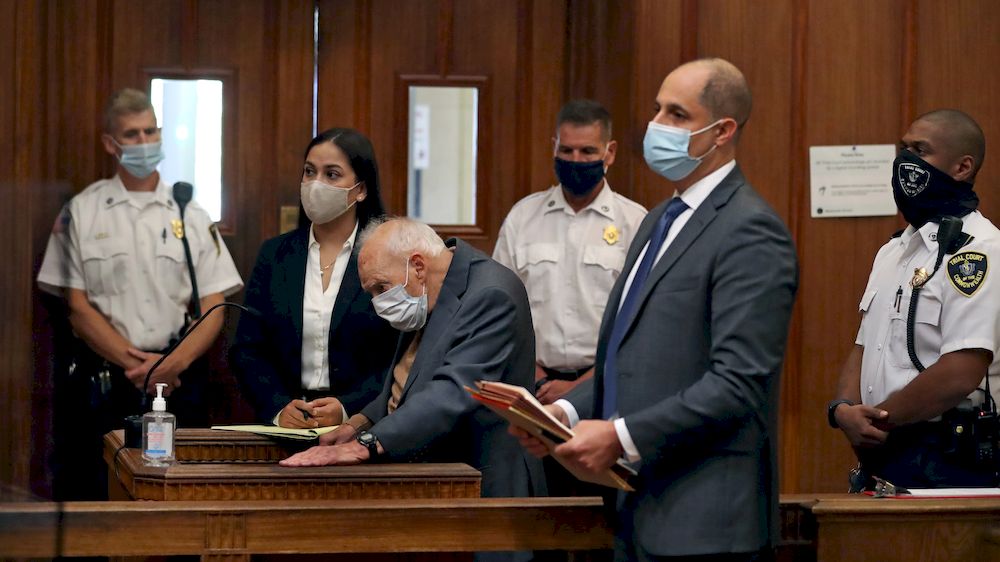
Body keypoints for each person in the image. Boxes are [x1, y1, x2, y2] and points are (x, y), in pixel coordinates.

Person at [512, 58, 798, 561]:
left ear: (723, 131)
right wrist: (562, 412)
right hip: (638, 510)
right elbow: (633, 361)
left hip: (706, 523)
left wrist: (620, 436)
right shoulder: (663, 219)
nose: (657, 126)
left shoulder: (751, 230)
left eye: (677, 115)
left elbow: (738, 384)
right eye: (657, 110)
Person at [37, 88, 243, 499]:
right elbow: (77, 307)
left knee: (179, 497)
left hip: (177, 380)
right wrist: (139, 366)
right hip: (106, 380)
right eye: (131, 134)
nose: (144, 142)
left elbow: (215, 304)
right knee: (95, 491)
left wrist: (172, 363)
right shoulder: (82, 210)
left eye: (151, 131)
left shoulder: (188, 211)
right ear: (110, 144)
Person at [280, 217, 546, 501]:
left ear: (418, 266)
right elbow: (405, 381)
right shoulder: (426, 293)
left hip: (486, 482)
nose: (377, 303)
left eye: (381, 288)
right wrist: (358, 424)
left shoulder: (491, 294)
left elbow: (452, 392)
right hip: (438, 479)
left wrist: (365, 445)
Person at [829, 109, 1000, 489]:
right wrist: (843, 410)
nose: (904, 160)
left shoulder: (980, 249)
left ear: (962, 167)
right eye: (903, 148)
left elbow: (960, 371)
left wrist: (877, 419)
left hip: (945, 459)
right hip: (882, 454)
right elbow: (865, 346)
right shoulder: (894, 251)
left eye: (920, 151)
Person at [231, 128, 398, 429]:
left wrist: (348, 408)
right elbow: (247, 349)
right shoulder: (274, 254)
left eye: (332, 175)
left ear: (360, 189)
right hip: (285, 428)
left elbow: (399, 354)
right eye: (310, 172)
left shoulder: (389, 256)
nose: (315, 184)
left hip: (364, 426)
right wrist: (279, 408)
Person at [493, 99, 646, 406]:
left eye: (588, 151)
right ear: (555, 148)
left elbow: (641, 319)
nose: (576, 160)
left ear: (609, 152)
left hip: (606, 386)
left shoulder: (635, 222)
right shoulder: (522, 218)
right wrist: (537, 375)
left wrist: (583, 385)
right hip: (530, 386)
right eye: (567, 150)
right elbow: (497, 307)